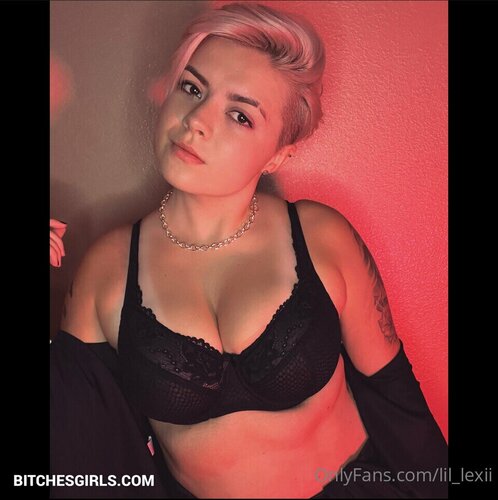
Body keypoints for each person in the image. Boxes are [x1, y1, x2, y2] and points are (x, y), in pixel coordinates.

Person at [50, 2, 447, 498]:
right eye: (192, 88)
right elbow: (73, 449)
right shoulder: (107, 268)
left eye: (239, 115)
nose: (196, 121)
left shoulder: (320, 236)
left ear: (279, 154)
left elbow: (397, 401)